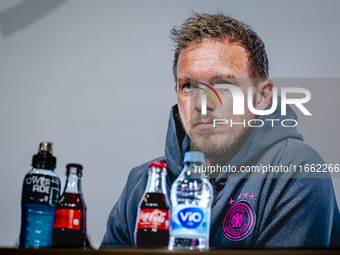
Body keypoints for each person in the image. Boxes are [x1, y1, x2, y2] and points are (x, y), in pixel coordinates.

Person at [101, 13, 340, 247]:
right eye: (188, 86)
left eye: (223, 84)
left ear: (261, 96)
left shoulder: (295, 171)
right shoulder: (143, 183)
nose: (201, 103)